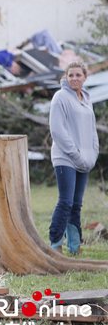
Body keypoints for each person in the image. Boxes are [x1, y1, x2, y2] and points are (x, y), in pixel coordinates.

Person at [48, 61, 99, 255]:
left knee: (77, 204)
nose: (74, 79)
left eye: (78, 75)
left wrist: (92, 153)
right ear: (66, 77)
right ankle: (55, 245)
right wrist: (75, 154)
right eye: (71, 75)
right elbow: (57, 130)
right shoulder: (60, 97)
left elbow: (92, 130)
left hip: (84, 160)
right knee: (66, 201)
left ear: (85, 77)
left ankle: (74, 247)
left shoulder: (86, 99)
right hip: (65, 158)